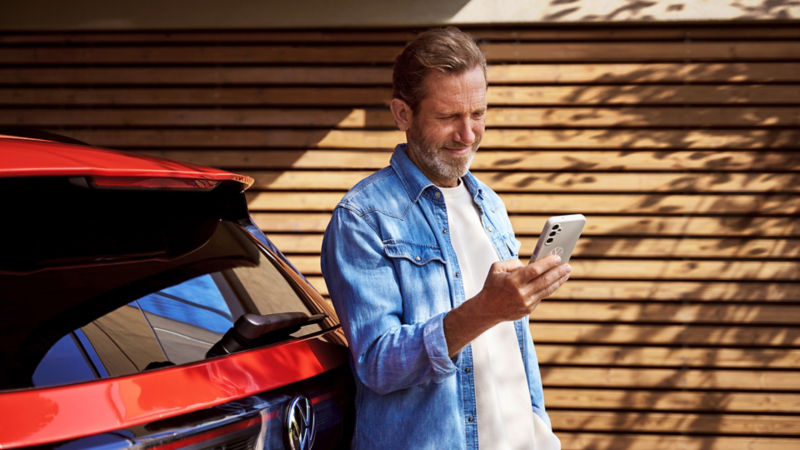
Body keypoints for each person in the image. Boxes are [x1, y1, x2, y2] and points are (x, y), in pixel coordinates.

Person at [321, 27, 569, 450]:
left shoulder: (489, 203)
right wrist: (483, 311)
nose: (468, 134)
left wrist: (542, 434)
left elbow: (516, 343)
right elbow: (377, 364)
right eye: (448, 117)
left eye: (478, 114)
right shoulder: (363, 218)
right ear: (403, 114)